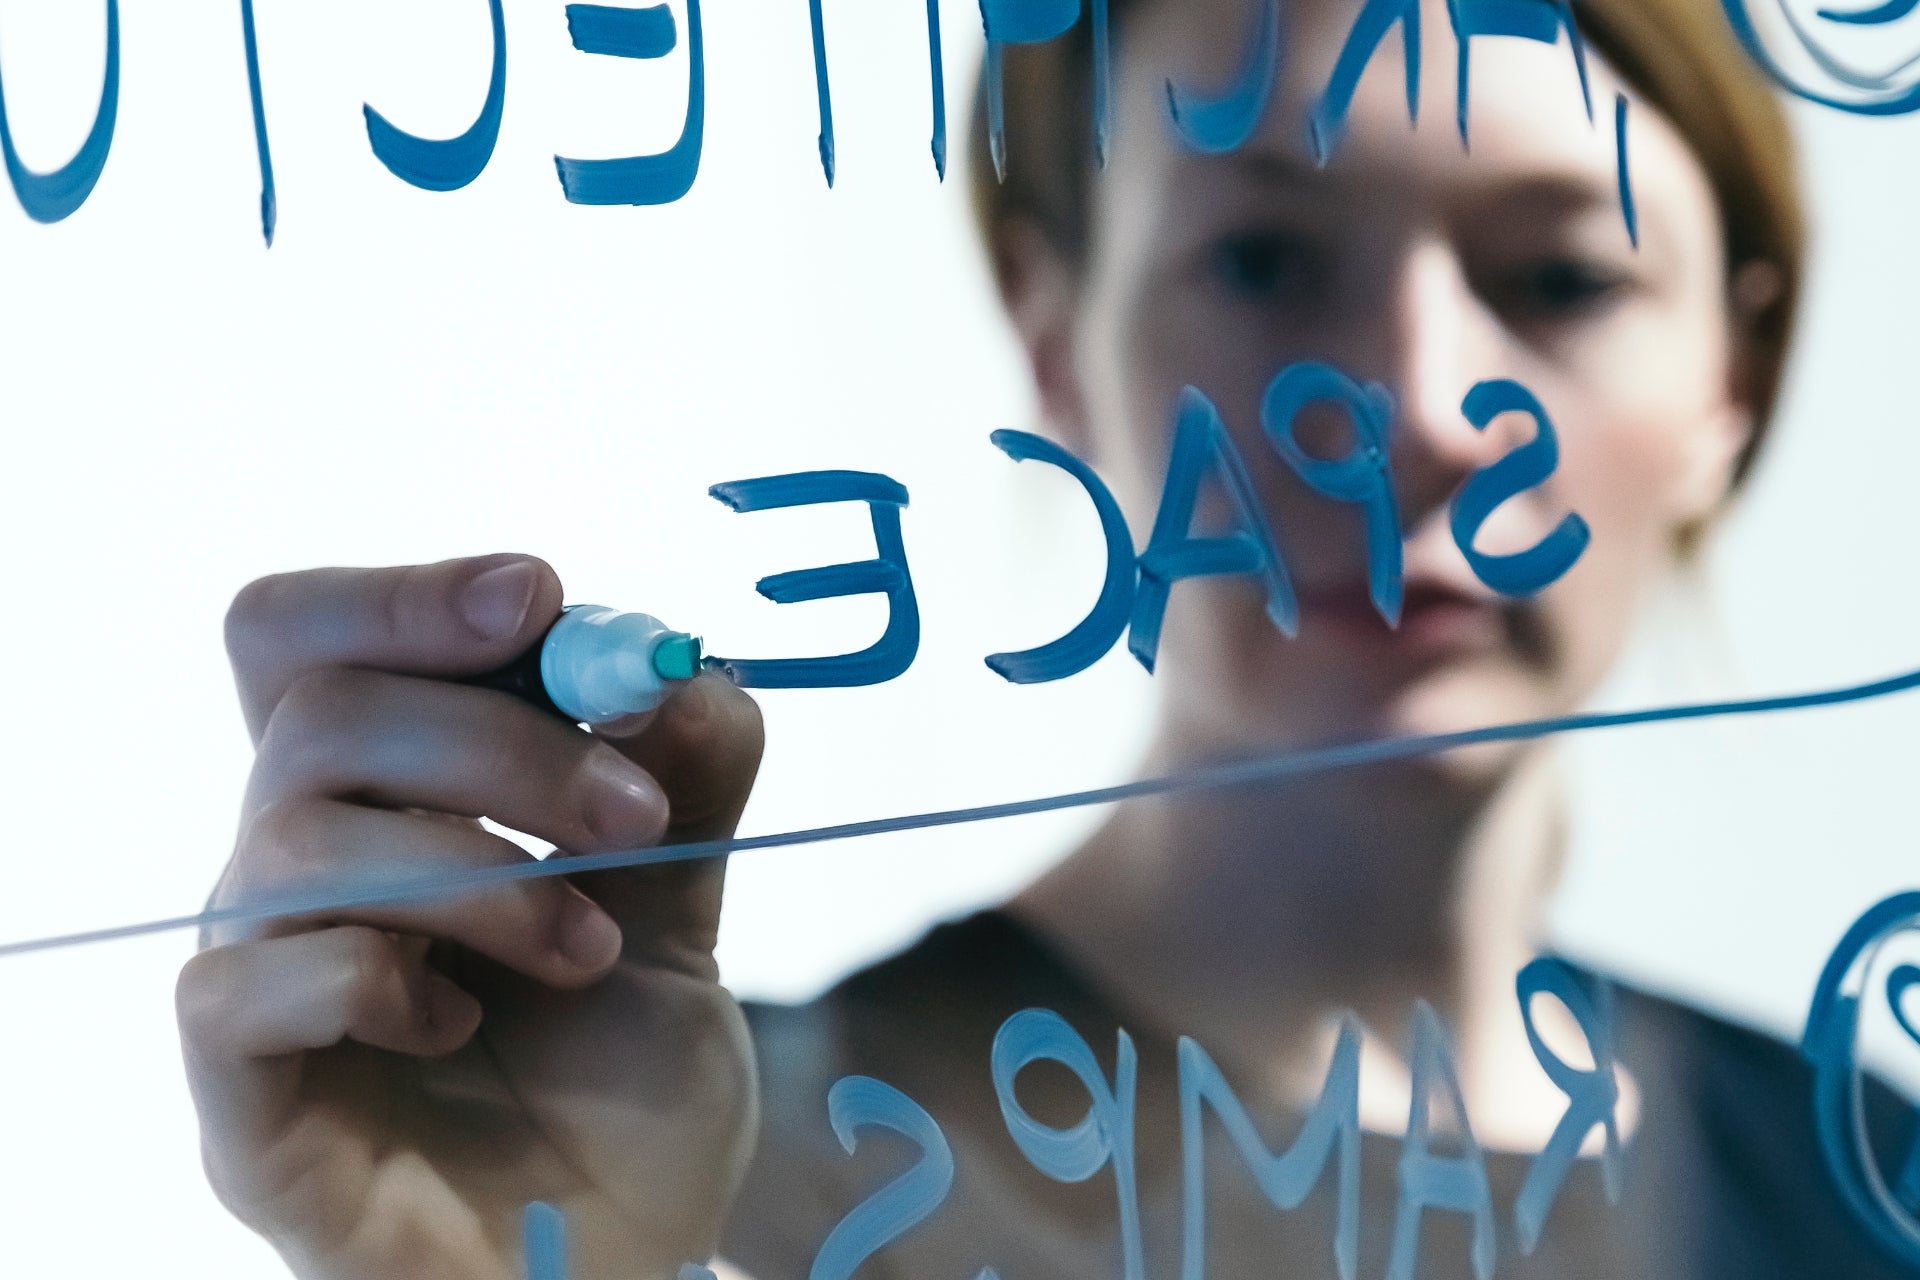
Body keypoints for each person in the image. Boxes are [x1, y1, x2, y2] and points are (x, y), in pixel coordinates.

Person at [173, 0, 1918, 1276]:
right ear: (1058, 343)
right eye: (1260, 263)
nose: (1420, 408)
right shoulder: (669, 1179)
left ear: (1733, 379)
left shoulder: (1875, 1192)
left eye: (1559, 281)